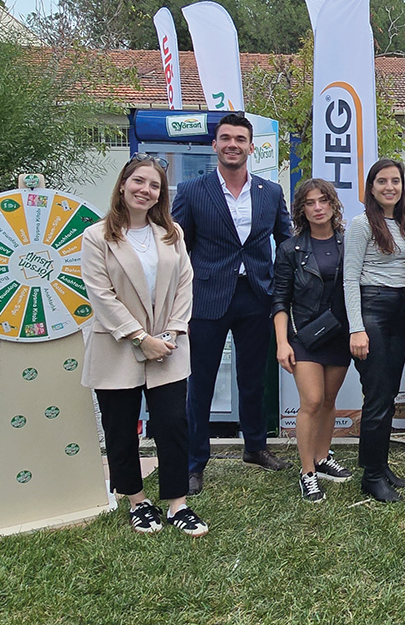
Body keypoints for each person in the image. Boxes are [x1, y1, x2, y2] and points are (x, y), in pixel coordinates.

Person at [80, 154, 207, 536]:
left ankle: (177, 504)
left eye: (154, 185)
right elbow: (101, 295)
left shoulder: (172, 233)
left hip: (168, 346)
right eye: (138, 181)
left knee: (173, 425)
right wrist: (140, 338)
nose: (145, 190)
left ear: (161, 194)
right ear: (123, 184)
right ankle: (137, 501)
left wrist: (172, 332)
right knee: (121, 429)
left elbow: (185, 284)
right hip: (118, 345)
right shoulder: (97, 237)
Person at [172, 113, 293, 497]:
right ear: (215, 145)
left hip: (256, 294)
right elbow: (177, 247)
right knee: (200, 382)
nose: (232, 145)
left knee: (253, 379)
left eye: (240, 139)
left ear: (251, 147)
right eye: (226, 138)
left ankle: (255, 447)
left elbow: (286, 243)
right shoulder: (192, 191)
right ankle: (194, 462)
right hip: (207, 297)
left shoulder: (270, 192)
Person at [271, 178, 354, 503]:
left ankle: (321, 457)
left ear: (333, 205)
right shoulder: (290, 249)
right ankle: (307, 473)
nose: (318, 208)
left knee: (330, 401)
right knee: (312, 401)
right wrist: (282, 343)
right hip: (304, 335)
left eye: (323, 201)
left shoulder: (349, 243)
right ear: (301, 210)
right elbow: (280, 300)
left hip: (339, 334)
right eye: (310, 203)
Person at [344, 159, 405, 503]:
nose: (390, 187)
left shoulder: (401, 223)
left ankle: (380, 465)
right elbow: (349, 278)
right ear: (371, 188)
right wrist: (356, 328)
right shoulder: (361, 225)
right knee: (376, 396)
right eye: (382, 181)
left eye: (395, 181)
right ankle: (371, 477)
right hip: (372, 311)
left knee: (388, 395)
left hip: (400, 312)